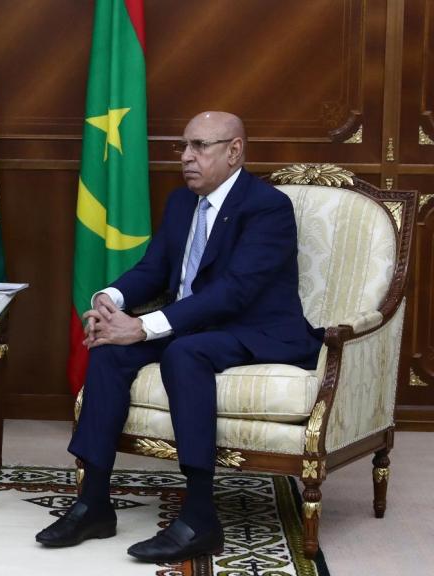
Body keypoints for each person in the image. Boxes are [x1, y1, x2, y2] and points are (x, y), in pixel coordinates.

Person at [36, 111, 323, 562]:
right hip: (192, 323)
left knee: (186, 353)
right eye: (183, 147)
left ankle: (200, 516)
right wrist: (110, 299)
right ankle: (93, 503)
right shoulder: (181, 203)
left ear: (234, 151)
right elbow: (154, 269)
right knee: (110, 351)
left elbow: (235, 292)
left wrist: (145, 325)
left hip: (255, 329)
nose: (187, 158)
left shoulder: (266, 206)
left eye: (199, 146)